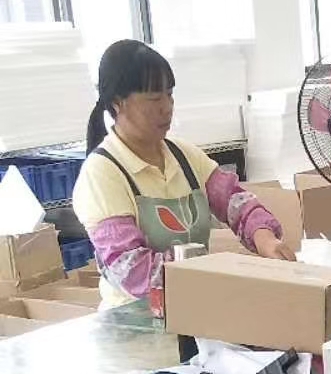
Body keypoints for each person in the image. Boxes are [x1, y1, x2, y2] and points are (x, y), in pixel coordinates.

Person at [73, 39, 295, 309]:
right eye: (154, 98)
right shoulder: (102, 174)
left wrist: (264, 237)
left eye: (169, 95)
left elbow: (235, 201)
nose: (167, 107)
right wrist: (214, 274)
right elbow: (131, 269)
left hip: (194, 304)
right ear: (118, 103)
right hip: (136, 318)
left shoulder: (183, 156)